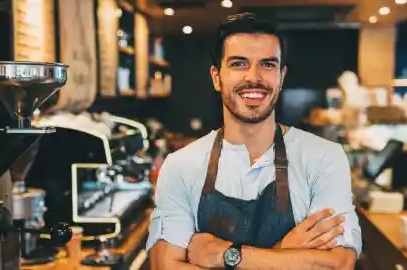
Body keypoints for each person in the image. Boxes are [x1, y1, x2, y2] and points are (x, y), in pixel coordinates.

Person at [147, 13, 362, 270]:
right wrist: (285, 252)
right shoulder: (181, 166)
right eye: (239, 64)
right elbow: (165, 267)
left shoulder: (323, 158)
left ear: (281, 77)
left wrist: (226, 255)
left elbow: (337, 265)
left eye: (268, 65)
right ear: (216, 77)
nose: (254, 77)